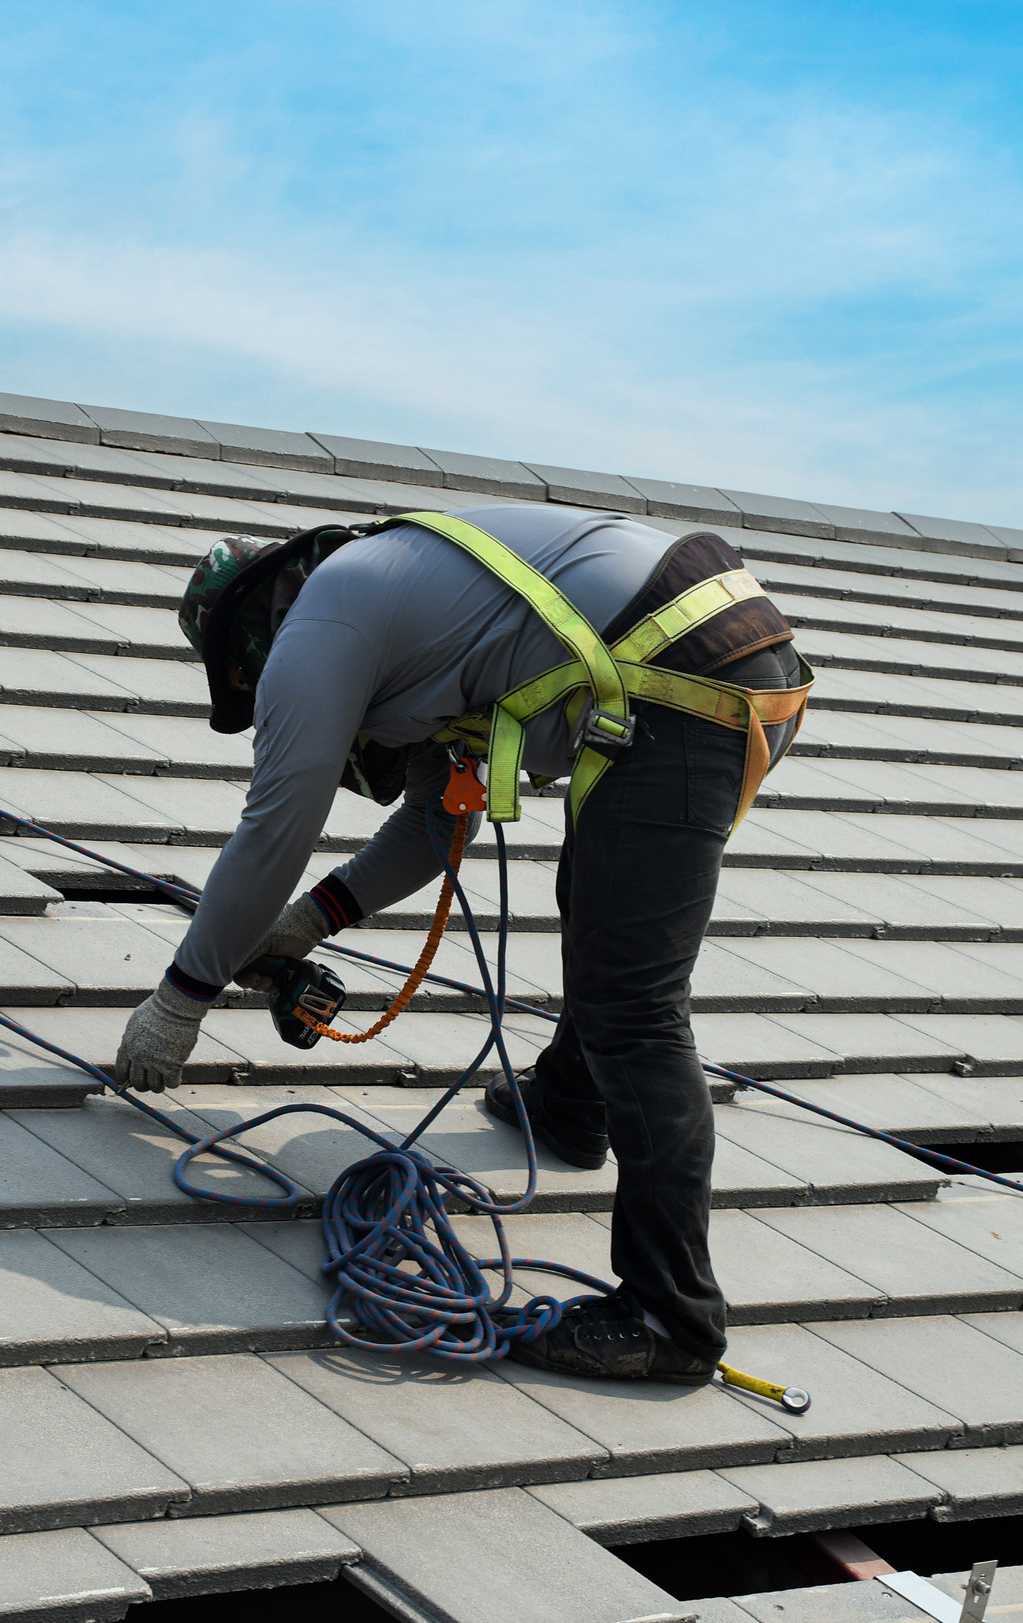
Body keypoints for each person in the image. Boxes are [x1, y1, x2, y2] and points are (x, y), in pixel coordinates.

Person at [114, 502, 809, 1381]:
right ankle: (565, 1104)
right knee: (605, 914)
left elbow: (276, 825)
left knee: (635, 1009)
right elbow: (433, 826)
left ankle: (670, 1319)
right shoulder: (412, 601)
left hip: (679, 676)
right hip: (723, 650)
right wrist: (306, 925)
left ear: (252, 639)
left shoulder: (323, 618)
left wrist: (182, 997)